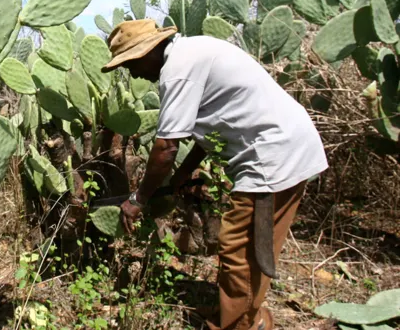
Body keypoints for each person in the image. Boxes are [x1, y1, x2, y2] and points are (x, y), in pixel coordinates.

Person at [100, 19, 328, 330]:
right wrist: (183, 174)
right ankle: (252, 317)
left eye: (131, 64)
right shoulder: (193, 51)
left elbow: (166, 147)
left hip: (271, 157)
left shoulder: (177, 70)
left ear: (148, 52)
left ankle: (241, 325)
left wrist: (138, 199)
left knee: (239, 249)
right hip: (284, 146)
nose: (134, 73)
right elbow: (207, 129)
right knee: (249, 249)